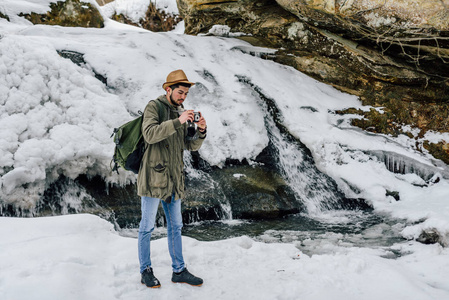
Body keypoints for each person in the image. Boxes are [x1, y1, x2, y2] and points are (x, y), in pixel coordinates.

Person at [137, 70, 207, 288]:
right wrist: (178, 121)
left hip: (175, 180)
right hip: (153, 179)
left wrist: (201, 131)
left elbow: (189, 145)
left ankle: (179, 270)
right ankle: (145, 271)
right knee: (147, 227)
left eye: (185, 94)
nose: (183, 97)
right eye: (180, 92)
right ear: (168, 89)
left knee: (176, 226)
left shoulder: (181, 112)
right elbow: (149, 134)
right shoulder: (154, 107)